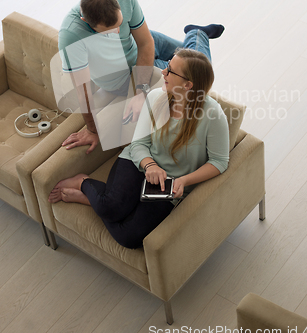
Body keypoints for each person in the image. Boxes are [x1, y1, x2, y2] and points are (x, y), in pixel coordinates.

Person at [48, 48, 230, 249]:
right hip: (139, 162)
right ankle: (83, 181)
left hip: (168, 182)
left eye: (170, 70)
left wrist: (183, 181)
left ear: (188, 85)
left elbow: (219, 161)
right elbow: (138, 144)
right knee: (111, 208)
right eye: (167, 66)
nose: (163, 73)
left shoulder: (213, 115)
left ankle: (91, 200)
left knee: (130, 238)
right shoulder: (155, 98)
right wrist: (150, 165)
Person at [58, 0, 225, 153]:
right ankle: (197, 33)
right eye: (107, 32)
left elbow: (145, 42)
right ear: (85, 21)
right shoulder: (70, 37)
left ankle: (195, 35)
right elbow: (83, 91)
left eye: (119, 24)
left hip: (144, 42)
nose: (117, 33)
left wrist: (140, 92)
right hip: (128, 75)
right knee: (199, 73)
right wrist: (92, 130)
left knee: (193, 60)